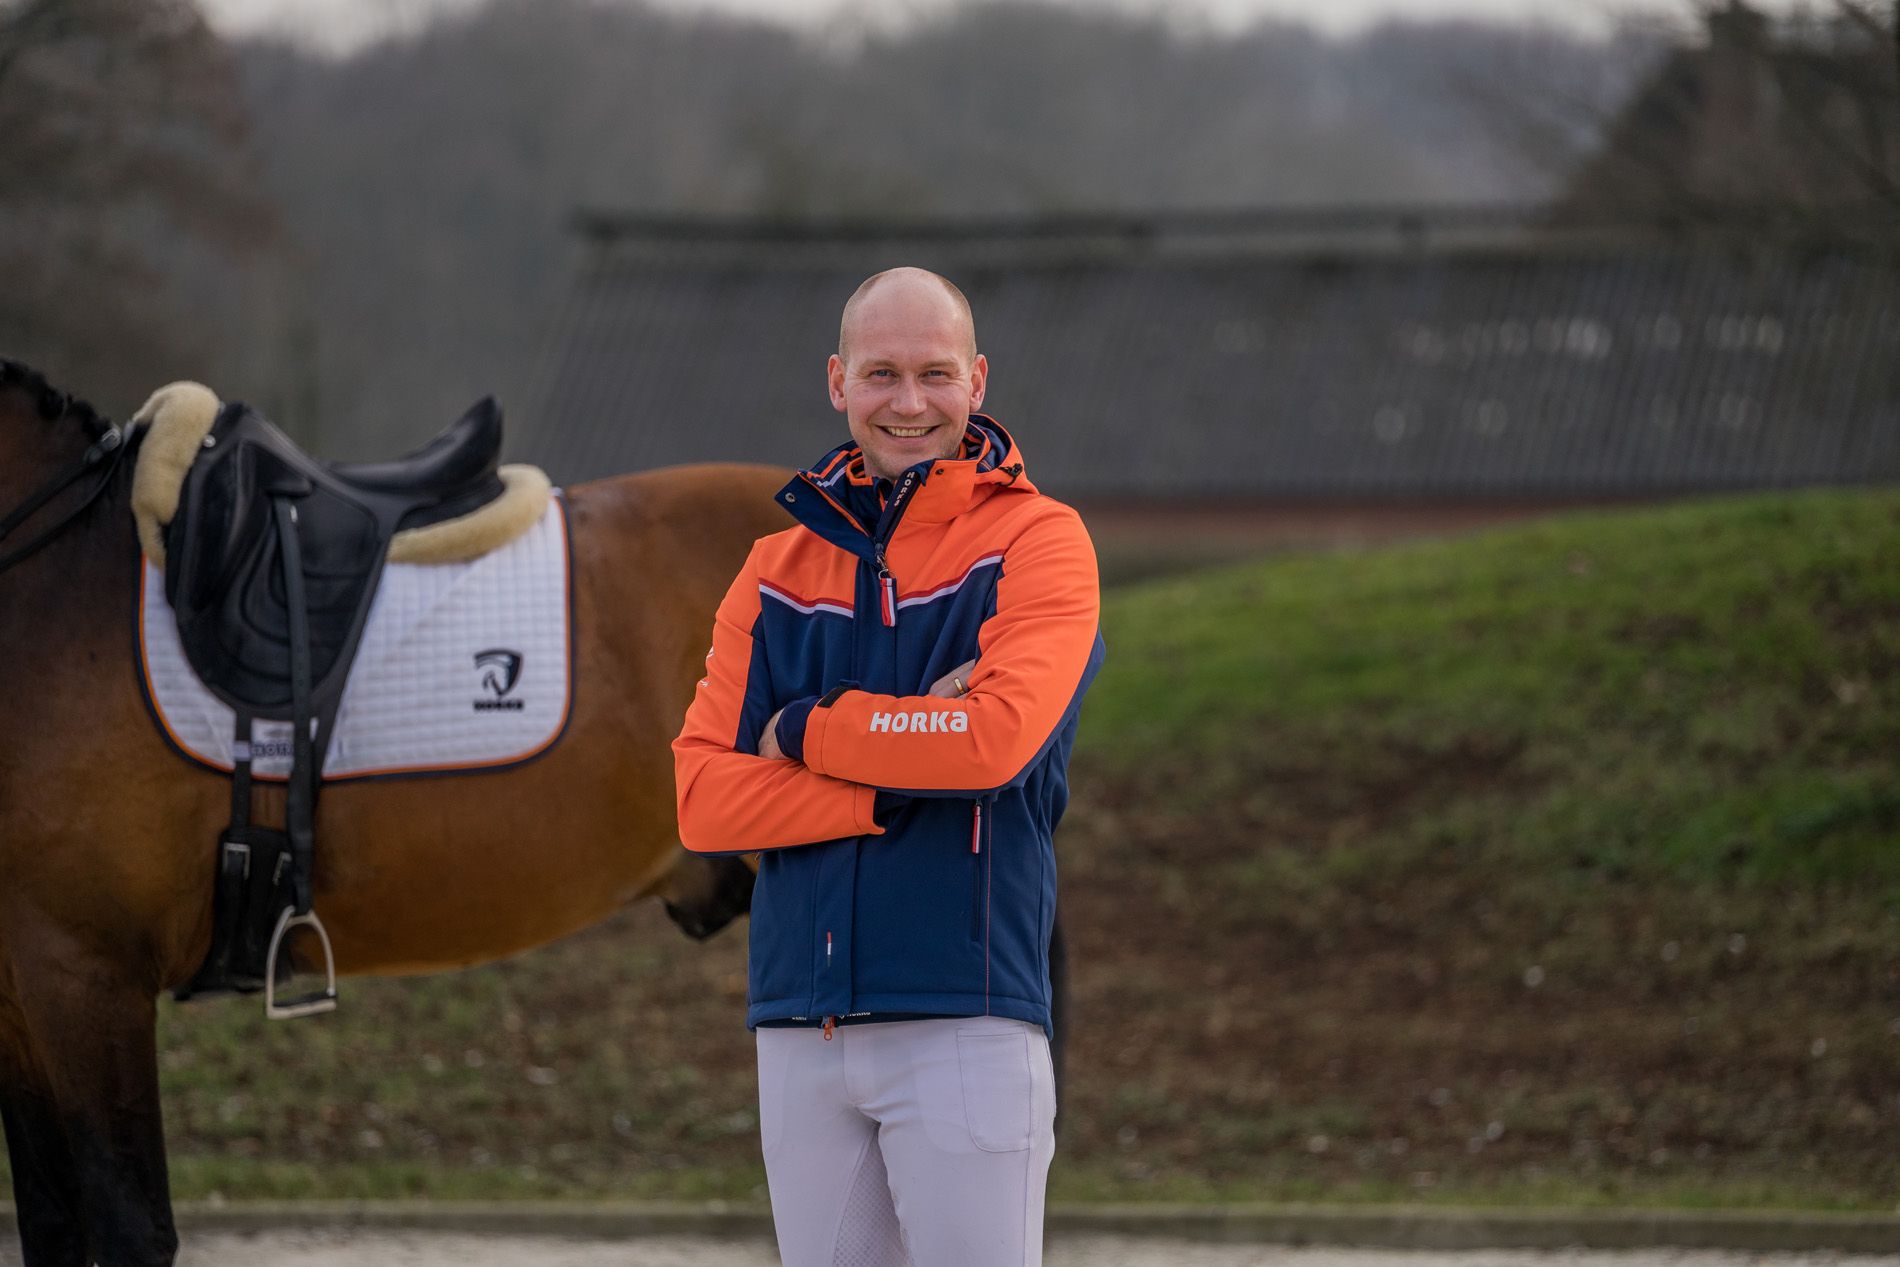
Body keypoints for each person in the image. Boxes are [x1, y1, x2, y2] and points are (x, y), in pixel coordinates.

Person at [672, 266, 1104, 1267]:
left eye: (933, 374)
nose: (908, 403)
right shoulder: (771, 569)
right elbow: (702, 802)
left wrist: (805, 728)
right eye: (880, 374)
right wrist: (905, 762)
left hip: (968, 1017)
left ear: (977, 379)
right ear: (837, 382)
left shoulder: (1042, 542)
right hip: (797, 1022)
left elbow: (996, 744)